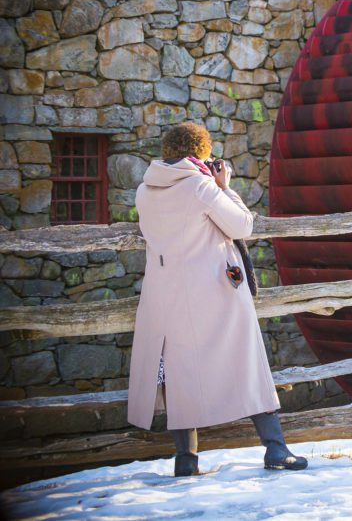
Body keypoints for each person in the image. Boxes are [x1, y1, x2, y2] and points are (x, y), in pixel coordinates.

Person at [126, 122, 307, 476]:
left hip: (165, 296)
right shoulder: (201, 186)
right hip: (215, 293)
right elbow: (242, 226)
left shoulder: (144, 190)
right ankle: (275, 448)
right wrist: (225, 187)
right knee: (247, 361)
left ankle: (186, 460)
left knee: (177, 373)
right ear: (201, 154)